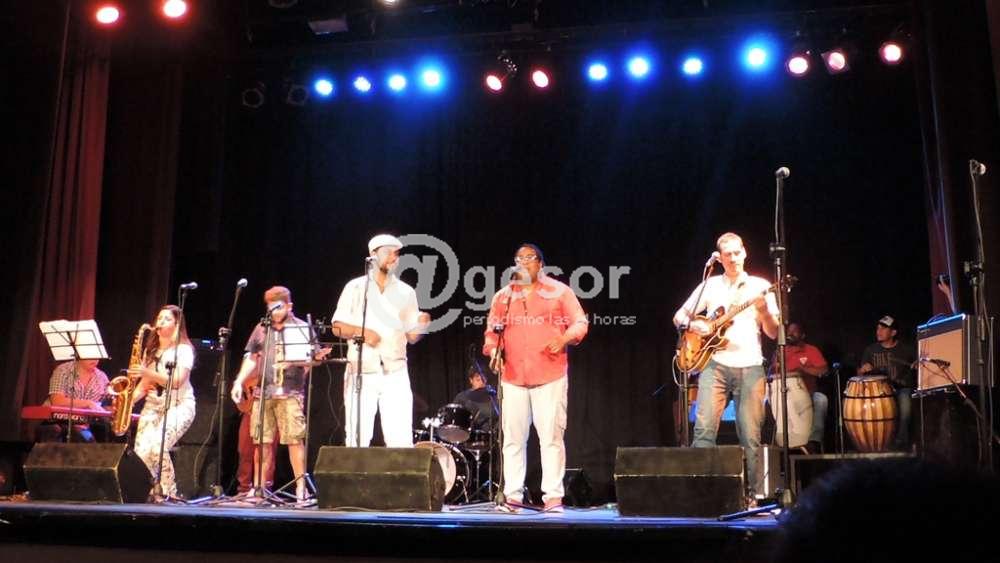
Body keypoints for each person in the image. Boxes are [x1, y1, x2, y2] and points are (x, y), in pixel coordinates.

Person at [672, 232, 780, 500]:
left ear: (745, 252)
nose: (733, 258)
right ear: (719, 259)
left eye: (737, 252)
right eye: (727, 254)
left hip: (751, 366)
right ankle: (701, 494)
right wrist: (693, 324)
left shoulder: (760, 286)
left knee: (750, 435)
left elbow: (774, 333)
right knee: (703, 430)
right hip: (715, 365)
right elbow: (679, 316)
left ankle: (753, 496)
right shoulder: (709, 285)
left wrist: (764, 311)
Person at [483, 243, 588, 512]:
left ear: (541, 264)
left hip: (550, 375)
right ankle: (512, 496)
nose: (523, 262)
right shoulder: (503, 297)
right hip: (512, 377)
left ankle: (553, 498)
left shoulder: (559, 292)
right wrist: (494, 351)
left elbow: (580, 322)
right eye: (519, 258)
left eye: (529, 258)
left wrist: (564, 338)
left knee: (551, 439)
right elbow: (492, 333)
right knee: (512, 440)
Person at [332, 234, 431, 448]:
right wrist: (362, 332)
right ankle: (357, 472)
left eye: (397, 253)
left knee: (400, 438)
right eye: (388, 252)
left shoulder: (406, 291)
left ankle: (399, 472)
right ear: (373, 255)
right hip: (361, 371)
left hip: (395, 372)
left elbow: (412, 337)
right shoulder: (355, 288)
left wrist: (422, 326)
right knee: (357, 438)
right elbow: (337, 326)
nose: (394, 257)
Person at [231, 286, 312, 500]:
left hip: (290, 393)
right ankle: (259, 487)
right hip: (263, 392)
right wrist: (239, 381)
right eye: (271, 308)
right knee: (261, 441)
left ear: (289, 306)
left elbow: (310, 360)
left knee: (294, 440)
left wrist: (291, 363)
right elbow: (251, 357)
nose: (275, 312)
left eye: (279, 307)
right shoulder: (262, 328)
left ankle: (301, 488)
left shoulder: (301, 328)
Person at [128, 305, 197, 499]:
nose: (161, 322)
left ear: (177, 324)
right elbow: (143, 385)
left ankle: (168, 493)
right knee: (141, 453)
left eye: (167, 319)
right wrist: (127, 403)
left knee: (157, 446)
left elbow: (177, 381)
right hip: (153, 407)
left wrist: (147, 372)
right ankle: (148, 494)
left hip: (179, 405)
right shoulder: (151, 351)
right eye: (159, 318)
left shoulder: (184, 350)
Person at [768, 322, 829, 453]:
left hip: (809, 392)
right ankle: (777, 443)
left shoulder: (811, 350)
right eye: (789, 331)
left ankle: (814, 441)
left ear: (802, 335)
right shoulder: (781, 351)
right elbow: (772, 373)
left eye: (795, 331)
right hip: (785, 394)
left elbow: (823, 370)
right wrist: (776, 364)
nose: (790, 333)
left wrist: (803, 369)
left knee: (821, 399)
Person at [858, 315, 916, 450]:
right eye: (878, 328)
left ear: (893, 332)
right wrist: (863, 369)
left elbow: (918, 363)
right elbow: (860, 373)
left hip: (901, 388)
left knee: (905, 407)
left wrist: (917, 365)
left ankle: (901, 443)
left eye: (883, 329)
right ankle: (877, 442)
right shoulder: (870, 350)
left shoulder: (906, 350)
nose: (878, 331)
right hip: (879, 390)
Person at [36, 359, 110, 443]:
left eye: (97, 356)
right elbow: (57, 401)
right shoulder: (63, 370)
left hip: (83, 425)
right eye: (90, 355)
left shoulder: (102, 377)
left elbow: (104, 406)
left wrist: (113, 409)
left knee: (93, 441)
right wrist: (87, 403)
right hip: (54, 421)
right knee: (56, 432)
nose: (94, 359)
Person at [452, 364, 499, 435]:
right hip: (468, 435)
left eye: (483, 379)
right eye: (478, 379)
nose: (481, 382)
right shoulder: (461, 397)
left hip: (490, 436)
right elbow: (456, 420)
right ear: (471, 380)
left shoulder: (493, 397)